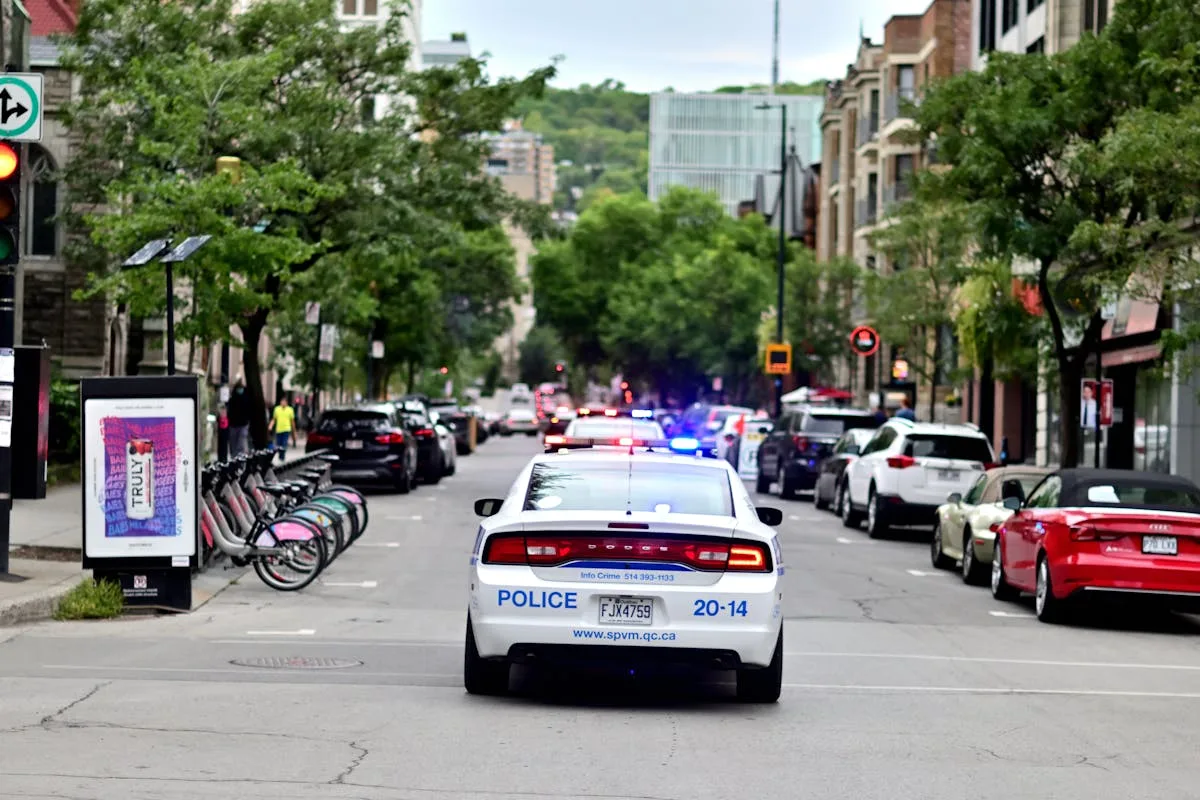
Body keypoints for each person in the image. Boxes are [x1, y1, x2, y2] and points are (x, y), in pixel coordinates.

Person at [226, 380, 251, 456]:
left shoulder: (246, 399)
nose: (240, 390)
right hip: (233, 424)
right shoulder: (232, 399)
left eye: (241, 388)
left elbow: (249, 411)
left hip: (243, 424)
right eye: (239, 388)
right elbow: (229, 411)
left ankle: (240, 459)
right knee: (233, 443)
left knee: (241, 443)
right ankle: (234, 457)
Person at [268, 395, 296, 462]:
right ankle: (280, 455)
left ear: (286, 403)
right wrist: (270, 426)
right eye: (282, 401)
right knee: (278, 444)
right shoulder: (277, 409)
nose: (283, 403)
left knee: (284, 443)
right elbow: (274, 419)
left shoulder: (290, 410)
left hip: (286, 429)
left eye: (284, 402)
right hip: (279, 429)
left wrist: (294, 430)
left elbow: (292, 421)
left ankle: (282, 457)